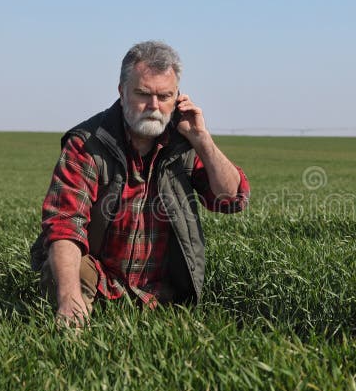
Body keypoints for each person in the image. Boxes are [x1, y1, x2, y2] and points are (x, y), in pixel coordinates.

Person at [32, 40, 250, 326]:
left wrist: (202, 140)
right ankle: (78, 313)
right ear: (122, 92)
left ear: (178, 98)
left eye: (165, 96)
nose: (154, 106)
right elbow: (64, 223)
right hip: (99, 283)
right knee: (63, 268)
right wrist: (70, 300)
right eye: (143, 94)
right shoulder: (87, 144)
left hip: (164, 293)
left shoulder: (184, 145)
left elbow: (231, 199)